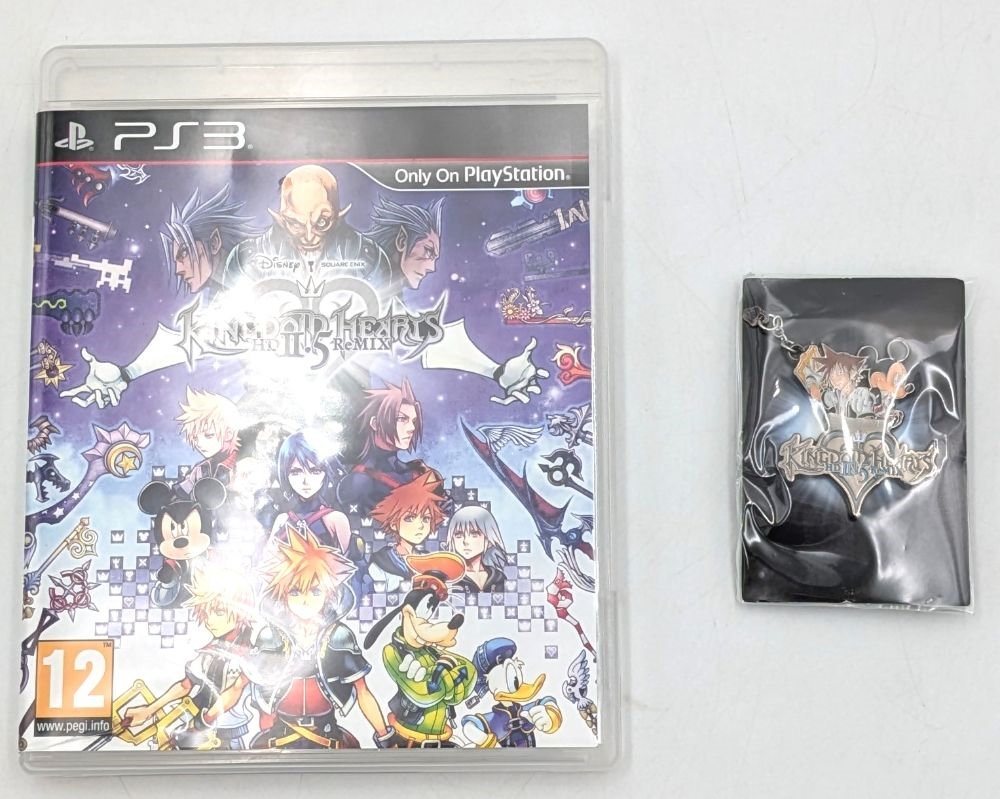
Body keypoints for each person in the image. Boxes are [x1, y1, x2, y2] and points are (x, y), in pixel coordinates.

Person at [249, 528, 394, 749]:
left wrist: (385, 737)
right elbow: (258, 691)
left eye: (315, 591)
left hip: (328, 735)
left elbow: (362, 691)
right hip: (280, 736)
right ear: (282, 594)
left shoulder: (338, 636)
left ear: (329, 593)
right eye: (295, 591)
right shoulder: (271, 636)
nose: (305, 600)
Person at [368, 472, 448, 592]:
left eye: (426, 519)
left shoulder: (427, 559)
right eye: (410, 518)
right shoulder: (382, 559)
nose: (420, 526)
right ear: (394, 524)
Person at [444, 505, 509, 593]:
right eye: (458, 535)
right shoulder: (450, 578)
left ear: (488, 539)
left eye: (474, 534)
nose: (465, 541)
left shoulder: (498, 577)